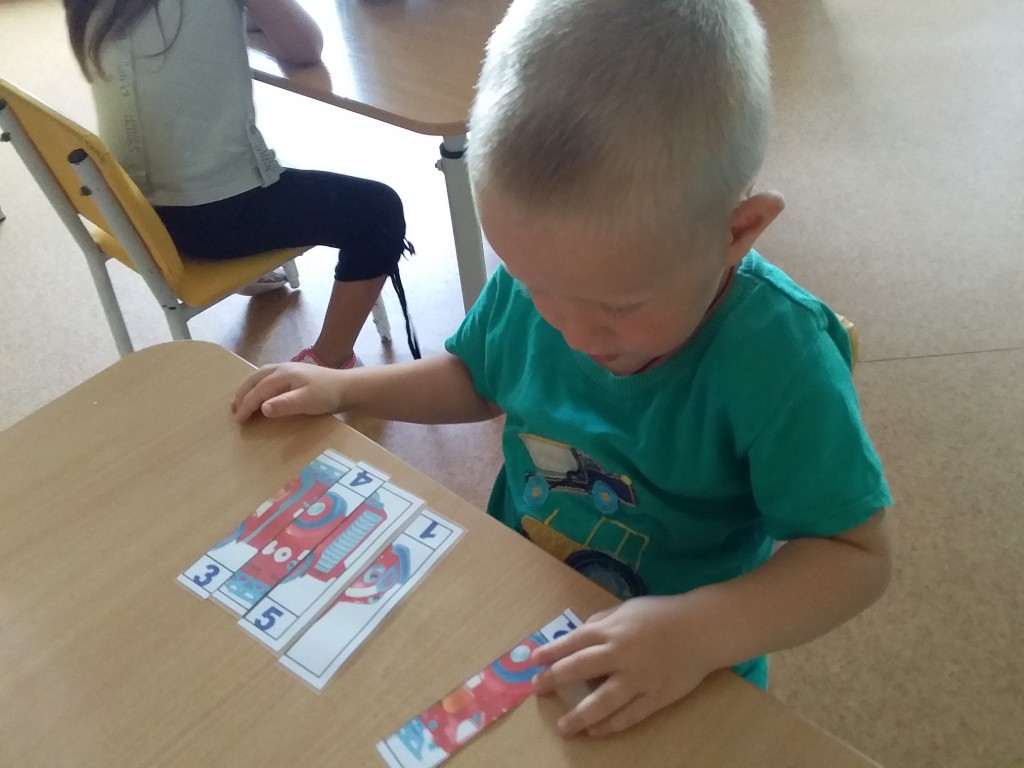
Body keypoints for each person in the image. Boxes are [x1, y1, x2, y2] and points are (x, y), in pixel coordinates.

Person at [231, 0, 893, 738]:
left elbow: (854, 555)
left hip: (682, 667)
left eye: (619, 305)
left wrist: (699, 632)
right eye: (534, 286)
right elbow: (475, 378)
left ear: (736, 232)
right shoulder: (556, 276)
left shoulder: (780, 357)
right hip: (526, 601)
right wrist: (344, 387)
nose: (574, 334)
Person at [64, 0, 419, 368]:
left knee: (238, 150)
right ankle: (330, 360)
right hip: (207, 222)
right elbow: (304, 50)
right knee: (378, 210)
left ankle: (257, 271)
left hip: (126, 207)